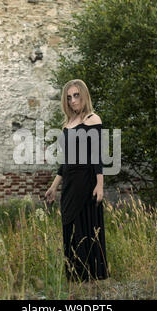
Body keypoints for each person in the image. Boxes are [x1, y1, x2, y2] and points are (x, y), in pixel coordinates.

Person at [45, 79, 108, 283]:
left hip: (86, 181)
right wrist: (54, 186)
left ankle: (89, 278)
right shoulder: (68, 123)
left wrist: (100, 185)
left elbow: (97, 155)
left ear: (84, 95)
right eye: (69, 97)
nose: (73, 100)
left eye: (76, 95)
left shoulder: (92, 119)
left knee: (85, 228)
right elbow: (66, 160)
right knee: (69, 227)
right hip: (70, 184)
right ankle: (75, 276)